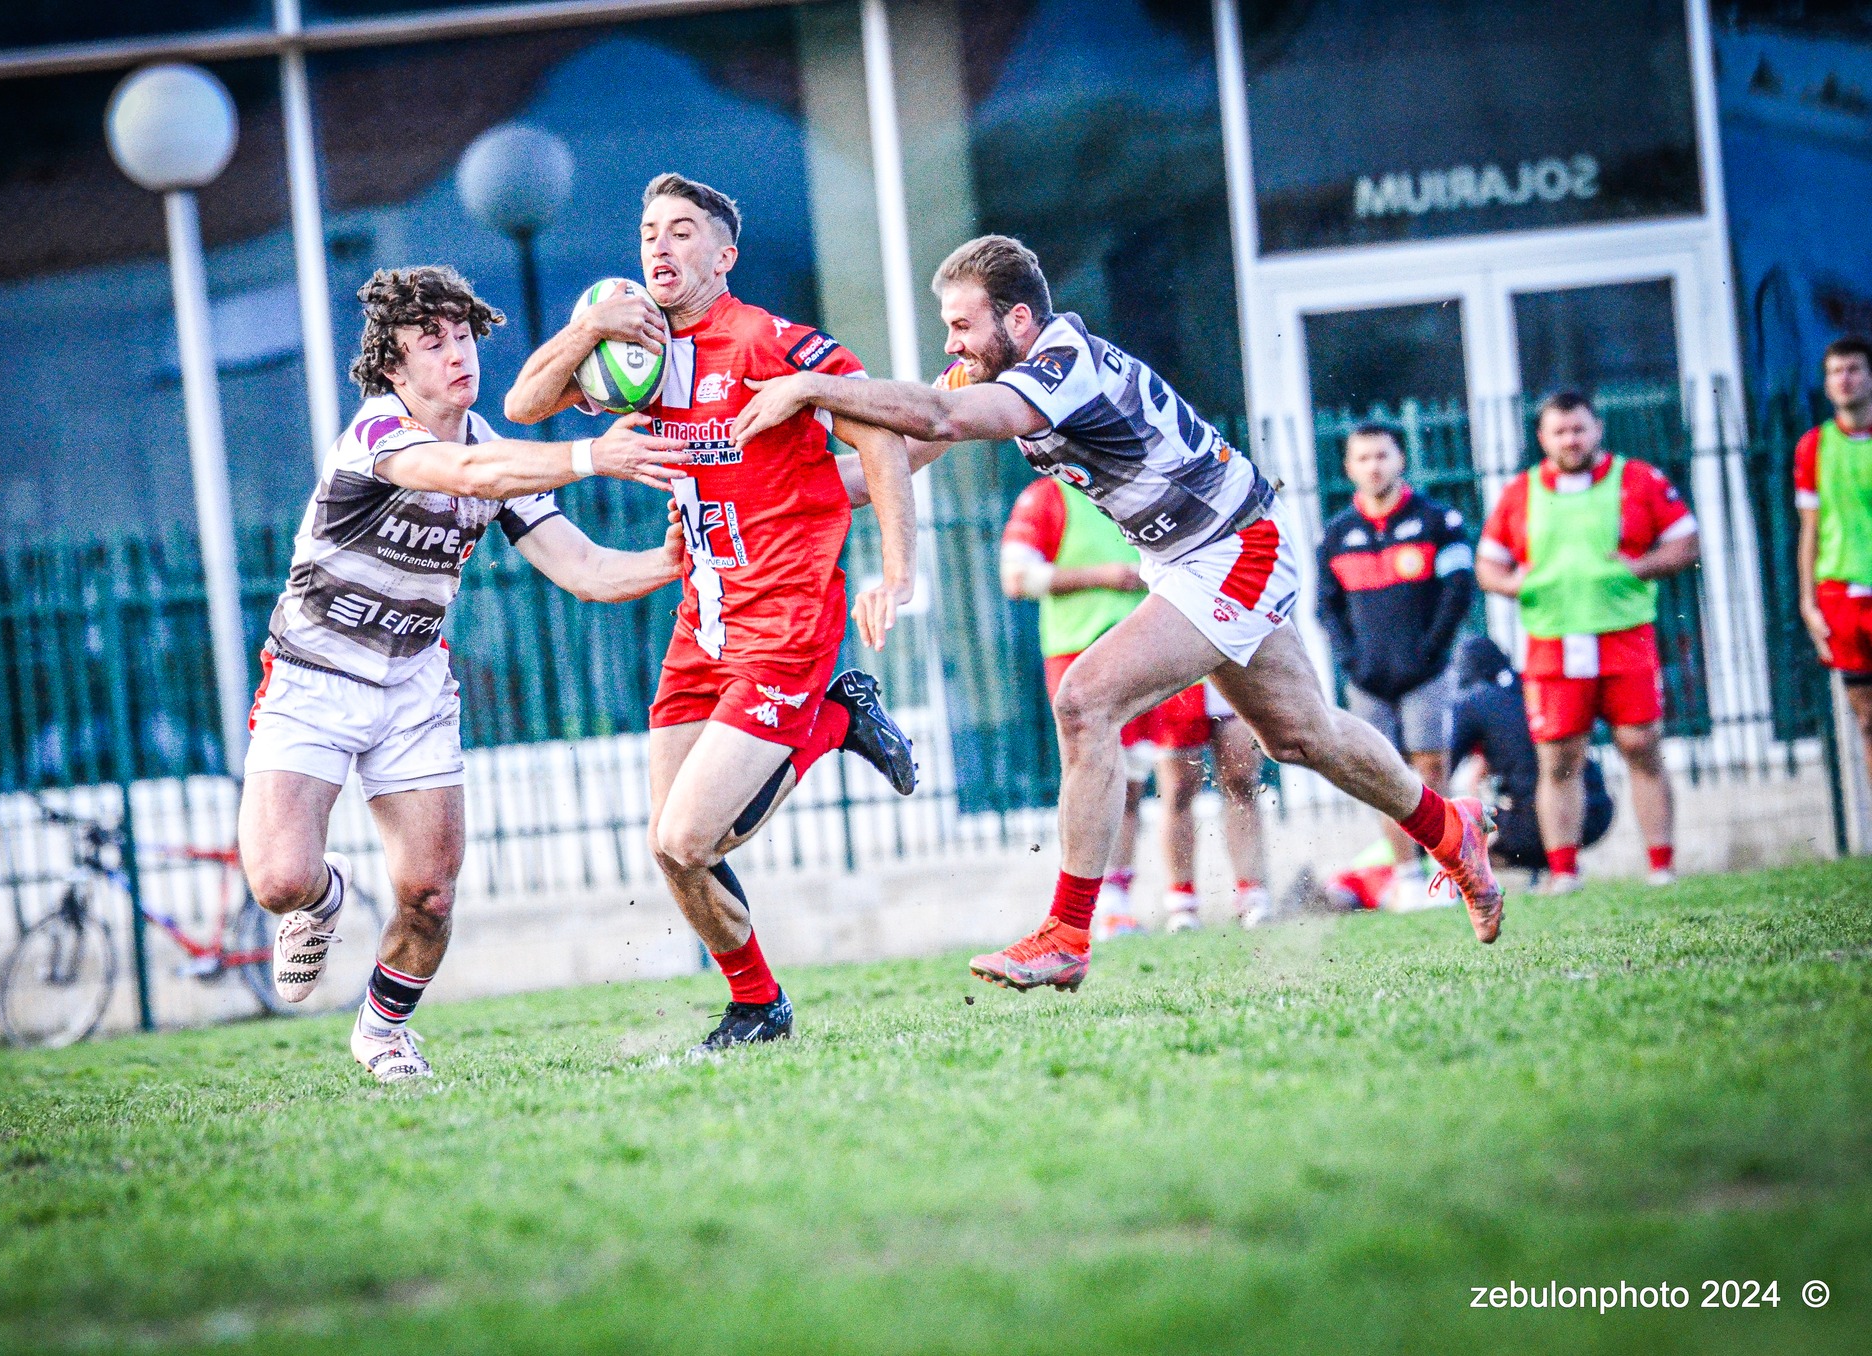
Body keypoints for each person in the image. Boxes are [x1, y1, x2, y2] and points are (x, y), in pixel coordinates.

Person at [732, 234, 1504, 995]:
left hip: (1235, 545)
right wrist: (750, 492)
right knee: (1302, 735)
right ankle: (1450, 828)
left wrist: (811, 388)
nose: (952, 341)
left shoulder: (1065, 368)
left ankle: (1067, 935)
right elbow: (895, 459)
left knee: (1085, 699)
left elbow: (935, 417)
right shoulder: (1000, 368)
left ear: (1021, 322)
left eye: (963, 324)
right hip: (1189, 557)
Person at [239, 265, 695, 1083]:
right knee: (278, 880)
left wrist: (669, 562)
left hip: (411, 683)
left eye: (463, 337)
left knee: (430, 896)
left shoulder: (493, 446)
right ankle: (321, 903)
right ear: (393, 366)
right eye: (431, 343)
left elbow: (585, 570)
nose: (457, 356)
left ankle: (382, 1033)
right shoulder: (379, 437)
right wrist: (593, 454)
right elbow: (467, 477)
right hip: (312, 675)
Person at [504, 174, 920, 1052]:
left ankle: (835, 717)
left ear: (724, 257)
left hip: (785, 620)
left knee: (691, 835)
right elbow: (521, 408)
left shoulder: (774, 341)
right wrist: (586, 327)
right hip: (703, 622)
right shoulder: (635, 355)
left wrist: (896, 565)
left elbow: (882, 431)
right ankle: (758, 1006)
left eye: (684, 232)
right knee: (671, 847)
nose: (661, 246)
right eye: (650, 230)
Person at [998, 455, 1269, 935]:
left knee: (1171, 779)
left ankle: (1202, 898)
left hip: (1156, 648)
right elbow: (1017, 578)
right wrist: (1103, 575)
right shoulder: (1047, 497)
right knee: (1111, 783)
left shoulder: (1143, 493)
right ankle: (1111, 904)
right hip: (1081, 653)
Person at [1475, 390, 1700, 892]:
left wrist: (1642, 566)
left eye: (1579, 428)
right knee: (1557, 758)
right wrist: (1516, 584)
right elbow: (1487, 566)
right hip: (1555, 642)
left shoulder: (1639, 479)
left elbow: (1686, 542)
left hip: (1625, 636)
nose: (1570, 439)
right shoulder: (1520, 492)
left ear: (1597, 429)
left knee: (1640, 744)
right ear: (1542, 438)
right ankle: (1564, 873)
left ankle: (1662, 866)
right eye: (1559, 431)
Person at [1317, 422, 1474, 909]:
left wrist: (1431, 652)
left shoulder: (1438, 519)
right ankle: (1405, 873)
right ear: (1348, 468)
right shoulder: (1338, 533)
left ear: (1400, 459)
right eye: (1363, 458)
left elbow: (1459, 590)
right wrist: (1351, 662)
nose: (1373, 466)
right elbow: (1327, 607)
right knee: (1382, 771)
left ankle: (1444, 869)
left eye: (1382, 456)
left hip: (1425, 671)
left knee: (1430, 764)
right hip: (1369, 679)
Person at [1449, 636, 1612, 874]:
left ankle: (1449, 884)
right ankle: (1559, 868)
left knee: (1471, 820)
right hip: (1596, 812)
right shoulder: (1530, 684)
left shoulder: (1472, 701)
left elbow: (1444, 765)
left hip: (1534, 827)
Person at [1795, 335, 1872, 788]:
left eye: (1855, 369)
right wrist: (1808, 601)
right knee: (1866, 720)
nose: (1845, 379)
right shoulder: (1813, 447)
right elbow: (1811, 529)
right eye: (1835, 371)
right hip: (1841, 596)